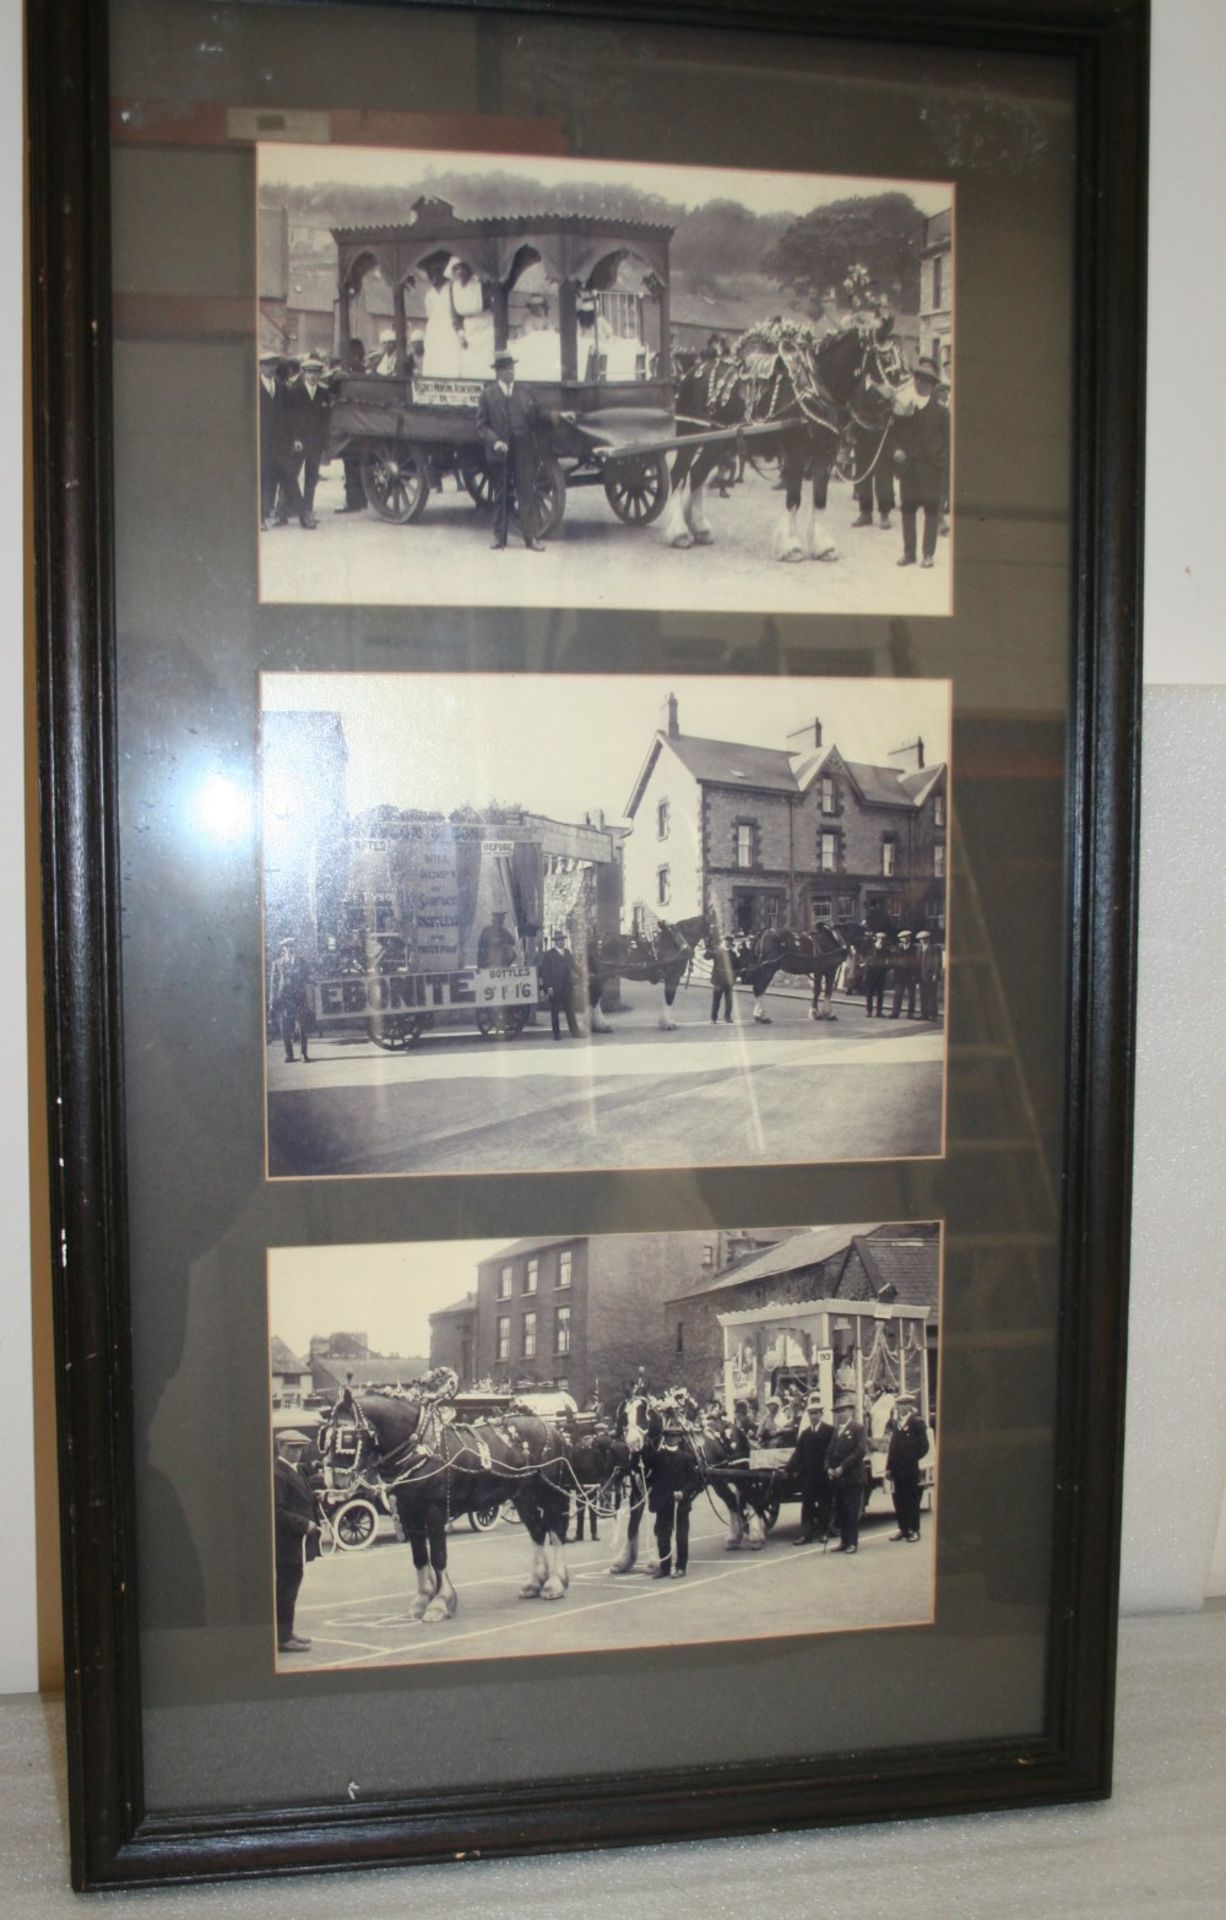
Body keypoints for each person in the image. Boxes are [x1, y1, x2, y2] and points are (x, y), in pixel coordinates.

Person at [476, 349, 547, 551]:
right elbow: (481, 426)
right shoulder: (487, 395)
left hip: (523, 451)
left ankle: (530, 538)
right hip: (500, 453)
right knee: (502, 494)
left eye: (512, 368)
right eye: (506, 369)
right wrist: (496, 441)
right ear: (497, 372)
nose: (510, 373)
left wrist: (557, 416)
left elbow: (537, 414)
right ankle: (500, 537)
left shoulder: (524, 392)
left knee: (527, 493)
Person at [894, 356, 951, 569]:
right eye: (918, 381)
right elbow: (894, 434)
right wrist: (897, 449)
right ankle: (909, 553)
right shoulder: (905, 408)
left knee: (930, 513)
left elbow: (948, 445)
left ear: (932, 386)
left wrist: (944, 473)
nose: (921, 385)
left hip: (931, 470)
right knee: (907, 511)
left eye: (925, 382)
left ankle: (928, 554)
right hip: (908, 469)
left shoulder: (942, 413)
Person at [274, 1429, 321, 1653]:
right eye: (292, 1448)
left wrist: (315, 1498)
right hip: (287, 1545)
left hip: (297, 1545)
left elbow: (300, 1499)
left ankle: (286, 1631)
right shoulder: (277, 1473)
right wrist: (304, 1524)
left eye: (300, 1447)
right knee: (286, 1590)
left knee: (290, 1589)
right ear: (280, 1447)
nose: (297, 1452)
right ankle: (282, 1638)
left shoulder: (297, 1471)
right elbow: (277, 1511)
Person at [285, 356, 330, 523]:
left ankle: (308, 511)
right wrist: (295, 438)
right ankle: (286, 511)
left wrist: (324, 443)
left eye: (316, 373)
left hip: (316, 443)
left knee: (312, 478)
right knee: (291, 475)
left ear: (320, 375)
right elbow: (290, 418)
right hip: (299, 442)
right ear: (303, 373)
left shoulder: (324, 393)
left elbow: (326, 420)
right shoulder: (294, 392)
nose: (313, 376)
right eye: (310, 373)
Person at [788, 1392, 834, 1544]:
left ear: (821, 1414)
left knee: (824, 1504)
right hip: (808, 1476)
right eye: (811, 1414)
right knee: (806, 1505)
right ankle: (805, 1535)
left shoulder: (829, 1431)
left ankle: (824, 1532)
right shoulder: (805, 1434)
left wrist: (830, 1469)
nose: (813, 1417)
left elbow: (833, 1452)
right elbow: (798, 1454)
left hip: (823, 1475)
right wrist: (789, 1469)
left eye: (816, 1414)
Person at [825, 1394, 869, 1553]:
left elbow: (859, 1451)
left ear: (851, 1411)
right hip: (838, 1477)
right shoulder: (837, 1431)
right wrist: (828, 1467)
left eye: (844, 1410)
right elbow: (829, 1451)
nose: (841, 1414)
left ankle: (852, 1543)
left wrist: (842, 1467)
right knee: (842, 1511)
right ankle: (843, 1541)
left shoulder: (858, 1428)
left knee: (851, 1511)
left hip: (853, 1476)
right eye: (839, 1411)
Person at [886, 1392, 930, 1542]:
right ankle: (903, 1528)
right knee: (899, 1499)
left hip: (910, 1468)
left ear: (910, 1406)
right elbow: (892, 1447)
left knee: (912, 1499)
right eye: (900, 1404)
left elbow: (924, 1447)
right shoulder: (896, 1424)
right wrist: (889, 1467)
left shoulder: (916, 1423)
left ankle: (914, 1530)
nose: (903, 1407)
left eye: (906, 1404)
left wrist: (910, 1458)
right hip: (897, 1469)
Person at [332, 338, 368, 514]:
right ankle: (360, 500)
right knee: (357, 464)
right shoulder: (365, 373)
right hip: (364, 425)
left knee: (351, 464)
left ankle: (353, 501)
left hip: (352, 425)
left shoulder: (349, 375)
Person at [449, 259, 495, 379]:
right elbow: (455, 315)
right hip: (468, 329)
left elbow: (493, 303)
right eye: (456, 268)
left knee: (486, 362)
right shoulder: (453, 288)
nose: (460, 271)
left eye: (462, 267)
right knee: (470, 365)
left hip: (486, 325)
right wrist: (461, 333)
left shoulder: (480, 283)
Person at [270, 936, 312, 1062]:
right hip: (284, 998)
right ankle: (289, 1054)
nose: (290, 949)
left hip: (299, 997)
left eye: (292, 946)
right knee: (285, 1026)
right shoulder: (277, 963)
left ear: (295, 947)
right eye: (287, 946)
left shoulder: (302, 962)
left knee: (302, 1026)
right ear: (283, 949)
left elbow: (307, 978)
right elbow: (273, 984)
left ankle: (303, 1054)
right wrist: (272, 1001)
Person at [850, 416, 895, 530]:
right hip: (861, 432)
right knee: (863, 475)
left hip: (882, 432)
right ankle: (865, 513)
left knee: (883, 476)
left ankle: (885, 514)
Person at [422, 260, 463, 378]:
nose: (433, 276)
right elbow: (429, 315)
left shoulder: (452, 288)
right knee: (434, 363)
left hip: (450, 330)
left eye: (436, 272)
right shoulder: (429, 294)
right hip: (434, 332)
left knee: (451, 362)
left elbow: (457, 312)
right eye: (430, 273)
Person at [538, 930, 581, 1039]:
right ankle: (556, 1034)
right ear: (555, 942)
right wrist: (549, 987)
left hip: (567, 987)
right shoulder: (549, 955)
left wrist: (584, 974)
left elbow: (574, 966)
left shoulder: (567, 953)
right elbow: (545, 972)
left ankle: (575, 1032)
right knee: (555, 1012)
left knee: (570, 1011)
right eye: (559, 940)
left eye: (562, 940)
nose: (561, 942)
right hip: (555, 988)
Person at [513, 289, 563, 381]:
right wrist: (544, 331)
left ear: (542, 307)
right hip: (529, 346)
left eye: (539, 306)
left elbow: (551, 333)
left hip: (543, 346)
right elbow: (530, 335)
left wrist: (546, 332)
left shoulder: (546, 319)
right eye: (534, 307)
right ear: (531, 307)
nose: (536, 309)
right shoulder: (527, 319)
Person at [889, 928, 918, 1019]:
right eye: (903, 938)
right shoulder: (897, 948)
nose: (905, 939)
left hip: (910, 975)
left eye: (906, 937)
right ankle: (895, 1012)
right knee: (898, 995)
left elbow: (916, 963)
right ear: (900, 939)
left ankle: (910, 1013)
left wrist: (915, 975)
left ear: (909, 938)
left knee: (911, 996)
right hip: (899, 975)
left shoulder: (914, 948)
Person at [916, 928, 943, 1021]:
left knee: (932, 995)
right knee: (922, 995)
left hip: (931, 975)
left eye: (924, 939)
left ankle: (933, 1015)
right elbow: (917, 962)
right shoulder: (919, 947)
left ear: (928, 938)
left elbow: (937, 962)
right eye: (921, 939)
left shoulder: (935, 948)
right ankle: (924, 1014)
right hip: (921, 975)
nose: (922, 941)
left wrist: (936, 974)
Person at [710, 932, 737, 1024]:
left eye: (730, 942)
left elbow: (737, 966)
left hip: (729, 981)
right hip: (718, 980)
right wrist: (710, 948)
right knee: (716, 1000)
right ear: (724, 942)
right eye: (727, 941)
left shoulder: (733, 954)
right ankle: (713, 1018)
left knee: (729, 1001)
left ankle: (727, 1017)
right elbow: (706, 956)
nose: (728, 943)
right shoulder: (717, 951)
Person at [864, 930, 890, 1017]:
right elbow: (865, 958)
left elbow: (889, 962)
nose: (881, 940)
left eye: (883, 939)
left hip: (880, 975)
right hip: (870, 974)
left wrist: (884, 969)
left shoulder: (886, 950)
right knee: (869, 993)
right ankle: (869, 1011)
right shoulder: (870, 948)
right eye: (879, 938)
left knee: (880, 993)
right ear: (876, 939)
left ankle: (879, 1011)